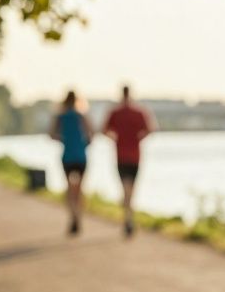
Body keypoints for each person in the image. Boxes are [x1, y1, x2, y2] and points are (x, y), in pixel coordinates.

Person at [102, 85, 157, 237]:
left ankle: (128, 217)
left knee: (125, 189)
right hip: (135, 156)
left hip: (120, 155)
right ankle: (129, 217)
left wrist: (115, 138)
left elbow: (104, 131)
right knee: (131, 189)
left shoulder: (114, 112)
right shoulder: (139, 112)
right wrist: (139, 138)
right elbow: (151, 130)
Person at [50, 90, 94, 236]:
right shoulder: (81, 115)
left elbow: (51, 134)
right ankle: (78, 216)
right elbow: (91, 133)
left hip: (67, 156)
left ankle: (73, 215)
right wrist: (84, 143)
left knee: (69, 188)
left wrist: (64, 140)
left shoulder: (60, 116)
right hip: (81, 156)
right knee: (80, 189)